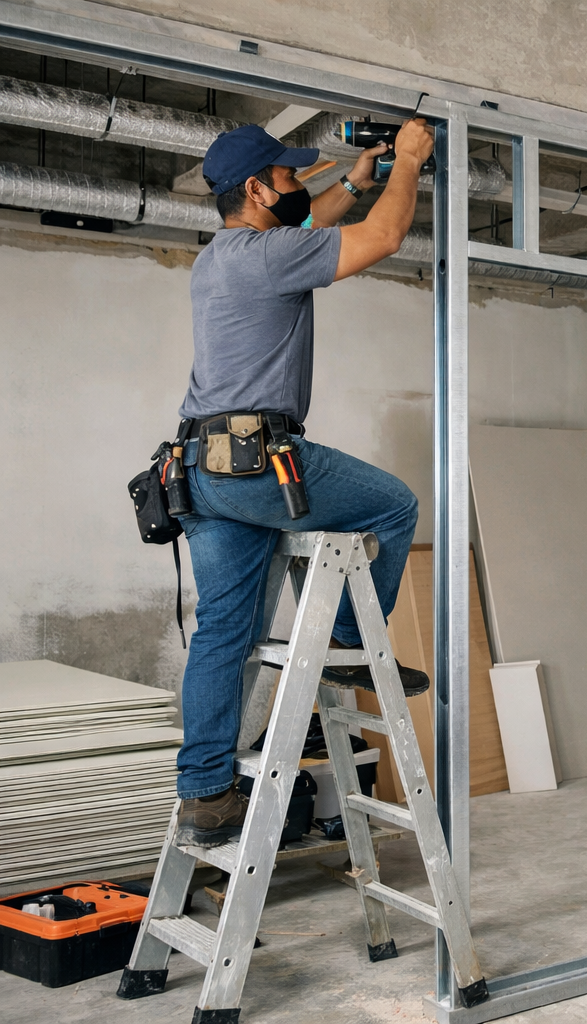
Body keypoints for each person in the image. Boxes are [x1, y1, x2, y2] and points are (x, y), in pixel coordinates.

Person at [171, 119, 436, 847]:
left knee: (226, 632)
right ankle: (349, 646)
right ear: (258, 190)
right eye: (287, 177)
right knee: (394, 505)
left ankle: (205, 794)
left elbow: (311, 223)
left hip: (202, 471)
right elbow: (382, 238)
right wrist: (409, 162)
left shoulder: (223, 256)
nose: (297, 185)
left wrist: (354, 179)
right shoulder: (265, 258)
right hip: (260, 461)